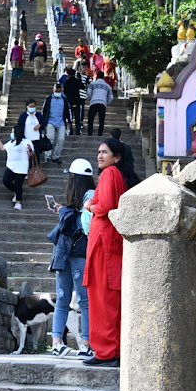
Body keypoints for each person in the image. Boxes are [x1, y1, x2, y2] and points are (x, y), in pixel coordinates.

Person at [82, 138, 141, 367]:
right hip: (113, 244)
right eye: (98, 151)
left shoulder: (109, 174)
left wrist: (90, 206)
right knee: (112, 300)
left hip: (103, 244)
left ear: (116, 157)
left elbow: (105, 205)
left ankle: (105, 352)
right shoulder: (119, 175)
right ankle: (114, 351)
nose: (99, 155)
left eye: (104, 152)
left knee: (101, 299)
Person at [47, 158, 96, 358]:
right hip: (76, 253)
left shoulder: (87, 197)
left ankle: (59, 342)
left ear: (73, 179)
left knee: (66, 299)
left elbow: (85, 224)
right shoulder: (89, 195)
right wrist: (63, 210)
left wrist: (64, 211)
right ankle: (84, 344)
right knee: (79, 300)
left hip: (67, 253)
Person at [0, 125, 34, 211]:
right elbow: (2, 148)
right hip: (11, 166)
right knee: (6, 180)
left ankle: (18, 202)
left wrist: (30, 150)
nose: (11, 134)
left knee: (18, 184)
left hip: (21, 168)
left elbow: (32, 154)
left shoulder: (26, 142)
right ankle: (16, 192)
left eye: (12, 132)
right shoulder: (11, 142)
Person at [42, 83, 72, 164]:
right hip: (50, 121)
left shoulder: (64, 100)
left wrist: (69, 122)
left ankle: (56, 156)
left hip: (61, 121)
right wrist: (43, 122)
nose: (57, 93)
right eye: (56, 91)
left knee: (61, 139)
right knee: (50, 137)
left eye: (58, 91)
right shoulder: (48, 99)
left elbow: (68, 111)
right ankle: (47, 156)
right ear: (53, 90)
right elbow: (44, 110)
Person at [17, 99, 44, 164]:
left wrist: (39, 125)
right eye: (30, 106)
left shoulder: (38, 115)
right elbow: (19, 126)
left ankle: (36, 170)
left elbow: (43, 124)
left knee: (37, 156)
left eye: (33, 106)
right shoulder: (23, 116)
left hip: (36, 138)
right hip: (27, 139)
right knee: (28, 157)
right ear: (27, 107)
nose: (32, 108)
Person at [87, 71, 113, 136]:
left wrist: (90, 98)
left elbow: (88, 92)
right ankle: (100, 134)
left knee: (90, 119)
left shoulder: (92, 84)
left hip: (93, 102)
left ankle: (90, 133)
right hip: (102, 104)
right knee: (101, 120)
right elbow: (111, 97)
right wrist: (106, 102)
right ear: (103, 77)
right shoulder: (108, 86)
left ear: (97, 76)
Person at [63, 68, 82, 135]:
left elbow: (64, 91)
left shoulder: (66, 82)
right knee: (77, 117)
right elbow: (83, 87)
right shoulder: (77, 81)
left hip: (69, 102)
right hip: (77, 101)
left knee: (69, 118)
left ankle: (70, 131)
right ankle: (78, 131)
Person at [77, 62, 92, 127]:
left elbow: (91, 85)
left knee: (81, 109)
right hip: (76, 95)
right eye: (83, 67)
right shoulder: (77, 76)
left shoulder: (88, 78)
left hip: (83, 95)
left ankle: (81, 121)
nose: (84, 69)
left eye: (85, 68)